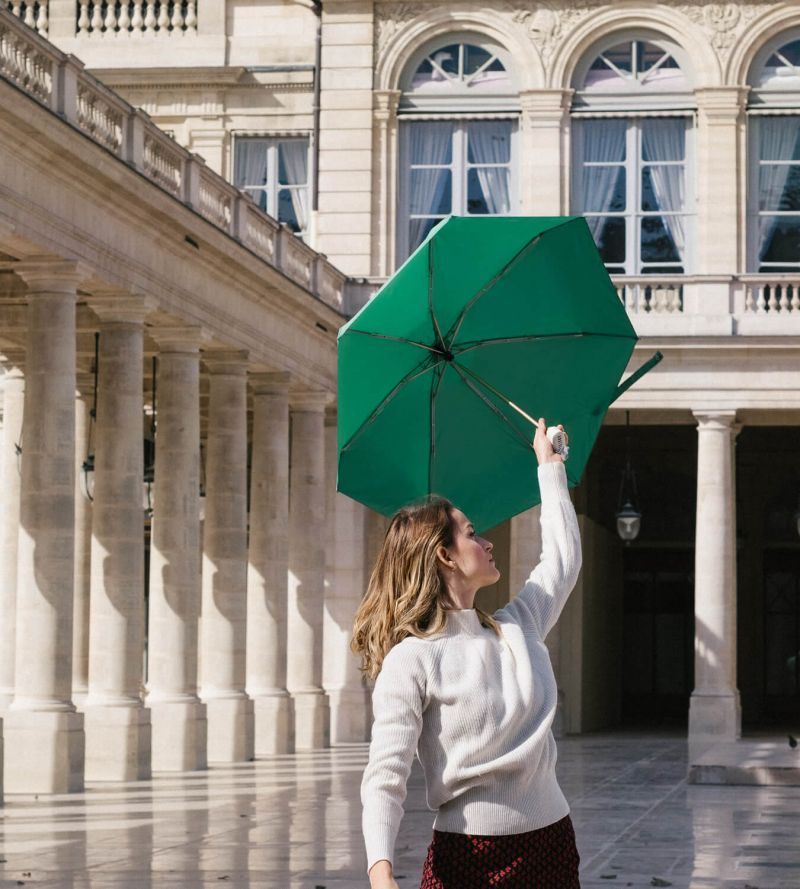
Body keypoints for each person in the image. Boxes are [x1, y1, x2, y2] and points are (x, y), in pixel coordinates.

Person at [351, 417, 583, 889]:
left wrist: (550, 468)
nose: (487, 540)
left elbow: (562, 560)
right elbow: (385, 775)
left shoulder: (520, 627)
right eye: (473, 533)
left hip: (553, 846)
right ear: (445, 556)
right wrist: (381, 872)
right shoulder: (411, 660)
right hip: (468, 859)